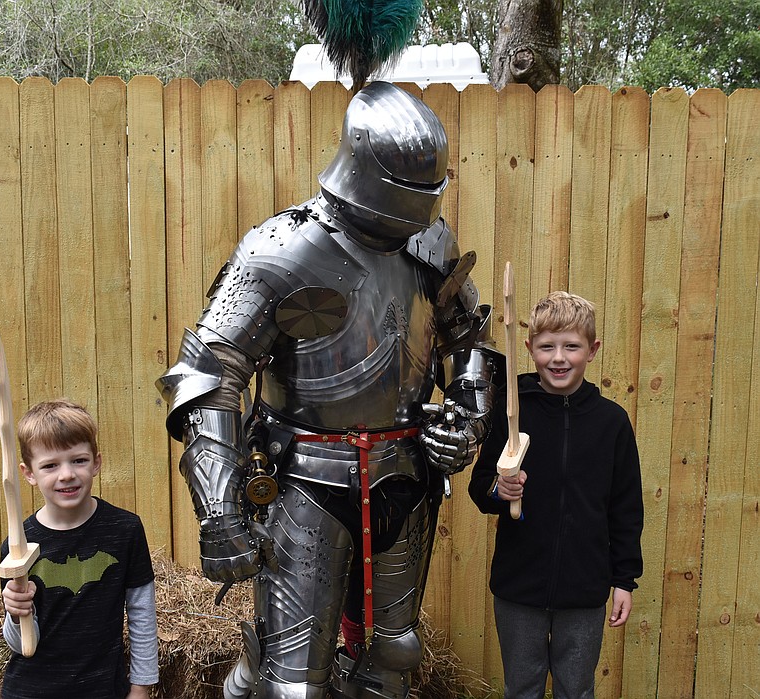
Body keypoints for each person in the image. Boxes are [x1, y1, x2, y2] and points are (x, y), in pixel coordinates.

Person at [156, 81, 502, 699]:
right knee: (293, 682)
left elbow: (468, 340)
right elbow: (211, 375)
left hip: (403, 472)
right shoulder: (283, 248)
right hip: (301, 481)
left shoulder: (431, 244)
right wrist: (221, 512)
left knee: (393, 657)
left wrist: (467, 422)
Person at [468, 291, 644, 699]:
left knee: (577, 689)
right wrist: (501, 487)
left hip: (585, 589)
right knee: (522, 687)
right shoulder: (513, 412)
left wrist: (624, 580)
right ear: (529, 348)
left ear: (592, 350)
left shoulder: (611, 423)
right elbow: (481, 487)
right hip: (519, 586)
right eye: (547, 347)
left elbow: (626, 508)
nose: (559, 358)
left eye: (572, 346)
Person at [0, 399, 159, 699]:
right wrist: (15, 611)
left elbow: (142, 615)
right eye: (50, 465)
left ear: (96, 462)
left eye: (78, 460)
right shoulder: (18, 543)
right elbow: (20, 644)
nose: (66, 475)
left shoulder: (124, 530)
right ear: (28, 473)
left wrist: (141, 687)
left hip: (101, 689)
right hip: (30, 691)